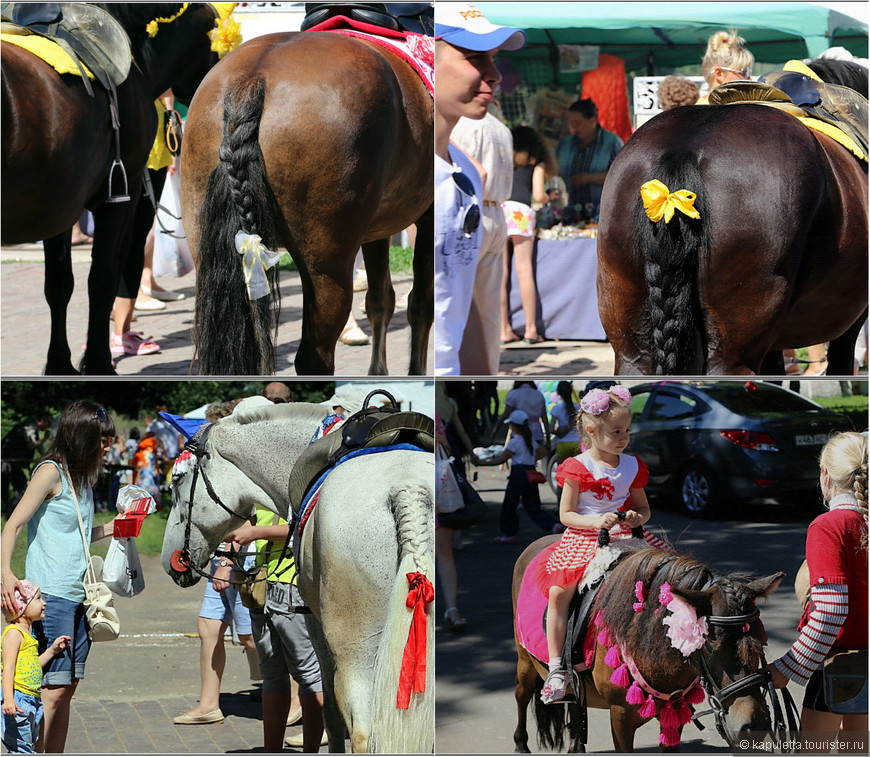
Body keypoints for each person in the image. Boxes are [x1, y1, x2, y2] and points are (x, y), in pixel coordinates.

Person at [534, 386, 668, 704]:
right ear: (592, 431)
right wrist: (595, 521)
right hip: (584, 537)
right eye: (616, 431)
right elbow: (566, 514)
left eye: (627, 431)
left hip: (626, 537)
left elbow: (644, 508)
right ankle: (557, 668)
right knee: (559, 594)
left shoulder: (632, 465)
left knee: (670, 581)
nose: (623, 438)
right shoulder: (577, 466)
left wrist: (637, 516)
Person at [0, 401, 120, 753]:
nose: (107, 445)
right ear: (82, 436)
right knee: (51, 692)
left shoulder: (83, 477)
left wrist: (114, 527)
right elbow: (13, 525)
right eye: (102, 439)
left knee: (67, 690)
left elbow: (75, 536)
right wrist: (5, 573)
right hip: (52, 596)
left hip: (80, 594)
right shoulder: (50, 472)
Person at [434, 2, 525, 375]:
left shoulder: (469, 170)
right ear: (426, 58)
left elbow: (460, 301)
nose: (495, 75)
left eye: (493, 59)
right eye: (475, 58)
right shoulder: (394, 168)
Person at [766, 432, 867, 751]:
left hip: (842, 665)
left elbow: (832, 611)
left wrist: (788, 667)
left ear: (826, 474)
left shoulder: (829, 526)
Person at [451, 108, 514, 374]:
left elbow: (464, 175)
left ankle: (463, 367)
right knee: (488, 306)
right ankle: (487, 367)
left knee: (461, 301)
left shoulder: (463, 127)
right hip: (497, 212)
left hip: (473, 212)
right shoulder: (502, 128)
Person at [500, 125, 558, 344]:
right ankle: (531, 330)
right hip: (521, 213)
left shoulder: (505, 160)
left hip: (501, 210)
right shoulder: (537, 163)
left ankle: (504, 330)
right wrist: (550, 196)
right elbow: (538, 195)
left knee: (501, 272)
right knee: (524, 270)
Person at [1, 580, 71, 754]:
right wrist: (9, 700)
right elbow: (8, 669)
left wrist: (52, 651)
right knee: (21, 750)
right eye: (38, 599)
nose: (44, 603)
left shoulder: (28, 635)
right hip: (18, 699)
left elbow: (33, 666)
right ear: (21, 608)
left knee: (29, 746)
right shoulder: (13, 634)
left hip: (33, 699)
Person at [475, 409, 560, 544]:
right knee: (532, 505)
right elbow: (543, 451)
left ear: (513, 426)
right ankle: (553, 524)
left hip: (518, 473)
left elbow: (501, 459)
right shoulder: (529, 440)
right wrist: (533, 459)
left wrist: (481, 463)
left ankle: (508, 533)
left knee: (510, 504)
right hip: (530, 472)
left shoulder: (514, 442)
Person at [555, 98, 622, 218]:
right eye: (571, 123)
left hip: (603, 215)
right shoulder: (564, 145)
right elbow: (553, 175)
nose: (573, 127)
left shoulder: (612, 143)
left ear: (592, 121)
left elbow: (623, 176)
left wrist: (589, 178)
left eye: (578, 123)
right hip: (569, 214)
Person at [1, 413, 52, 516]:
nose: (49, 426)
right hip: (8, 462)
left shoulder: (29, 426)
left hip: (12, 462)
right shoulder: (30, 427)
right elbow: (32, 445)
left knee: (10, 489)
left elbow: (39, 448)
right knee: (20, 489)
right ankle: (9, 512)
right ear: (42, 420)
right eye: (49, 422)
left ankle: (7, 512)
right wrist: (44, 439)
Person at [698, 29, 754, 102]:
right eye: (744, 72)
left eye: (749, 72)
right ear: (719, 74)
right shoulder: (709, 110)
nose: (750, 79)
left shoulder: (704, 104)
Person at [493, 381, 551, 448]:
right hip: (536, 432)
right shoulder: (539, 395)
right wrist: (548, 440)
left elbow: (506, 415)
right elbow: (544, 419)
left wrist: (495, 432)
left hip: (519, 432)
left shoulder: (513, 394)